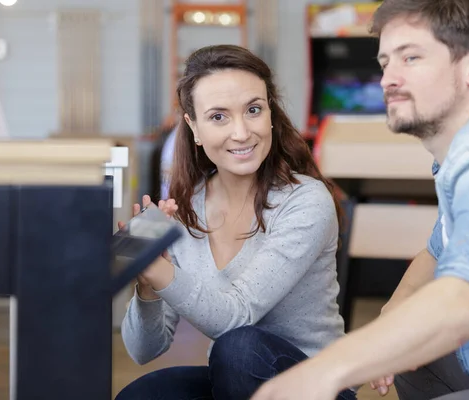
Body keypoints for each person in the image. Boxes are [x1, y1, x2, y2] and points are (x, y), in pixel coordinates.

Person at [251, 1, 469, 399]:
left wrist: (329, 368)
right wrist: (389, 324)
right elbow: (436, 250)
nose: (388, 79)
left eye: (411, 57)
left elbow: (466, 297)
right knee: (413, 361)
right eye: (385, 62)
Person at [114, 44, 357, 400]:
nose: (241, 132)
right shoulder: (183, 209)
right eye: (218, 117)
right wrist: (148, 285)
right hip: (236, 384)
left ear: (270, 113)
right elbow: (143, 350)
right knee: (144, 394)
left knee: (240, 348)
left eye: (253, 110)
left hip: (319, 387)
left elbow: (236, 317)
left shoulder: (306, 200)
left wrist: (162, 272)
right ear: (193, 127)